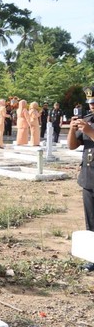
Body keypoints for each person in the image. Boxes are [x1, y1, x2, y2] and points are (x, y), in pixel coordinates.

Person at [67, 86, 94, 272]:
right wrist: (71, 130)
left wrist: (90, 131)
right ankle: (93, 257)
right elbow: (72, 146)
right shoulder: (88, 120)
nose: (92, 106)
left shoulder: (89, 125)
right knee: (91, 221)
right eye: (90, 103)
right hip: (89, 177)